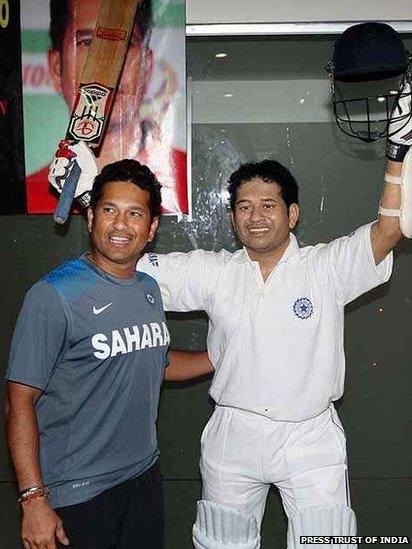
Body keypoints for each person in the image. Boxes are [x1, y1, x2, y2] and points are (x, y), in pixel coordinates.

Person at [49, 87, 411, 548]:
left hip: (311, 436)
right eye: (244, 206)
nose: (255, 217)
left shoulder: (327, 267)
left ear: (292, 214)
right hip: (233, 435)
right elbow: (123, 259)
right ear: (233, 217)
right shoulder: (214, 270)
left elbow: (388, 231)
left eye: (268, 205)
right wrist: (88, 198)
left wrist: (397, 153)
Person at [5, 159, 169, 549]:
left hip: (144, 478)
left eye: (135, 214)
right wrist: (33, 499)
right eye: (109, 210)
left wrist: (224, 357)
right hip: (77, 494)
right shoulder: (53, 296)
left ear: (151, 229)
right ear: (91, 216)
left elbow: (155, 361)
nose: (120, 225)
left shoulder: (149, 289)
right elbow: (18, 403)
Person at [26, 0, 187, 215]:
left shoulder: (187, 176)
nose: (109, 63)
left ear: (146, 67)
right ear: (57, 67)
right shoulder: (28, 193)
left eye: (126, 43)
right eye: (87, 42)